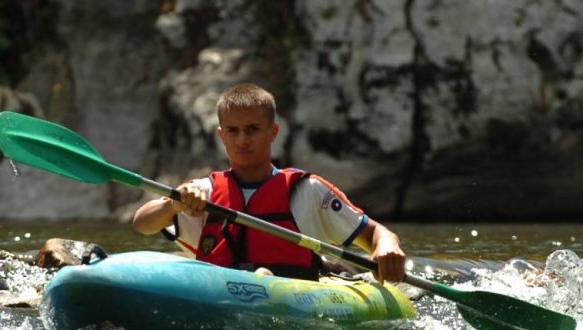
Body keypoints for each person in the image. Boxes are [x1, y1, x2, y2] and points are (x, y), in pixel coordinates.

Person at [132, 83, 406, 282]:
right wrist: (175, 205)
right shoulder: (203, 192)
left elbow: (375, 234)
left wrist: (387, 246)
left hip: (292, 296)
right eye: (233, 131)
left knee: (266, 276)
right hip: (218, 294)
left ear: (273, 131)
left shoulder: (308, 191)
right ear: (221, 135)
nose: (242, 140)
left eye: (252, 129)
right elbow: (141, 223)